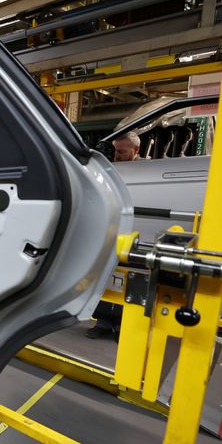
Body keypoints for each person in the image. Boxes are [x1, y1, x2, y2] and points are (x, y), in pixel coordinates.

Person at [86, 132, 142, 340]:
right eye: (115, 151)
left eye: (122, 152)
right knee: (107, 275)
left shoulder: (145, 171)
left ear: (136, 151)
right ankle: (103, 322)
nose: (117, 156)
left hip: (134, 232)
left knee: (130, 280)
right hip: (111, 230)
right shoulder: (110, 169)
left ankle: (121, 326)